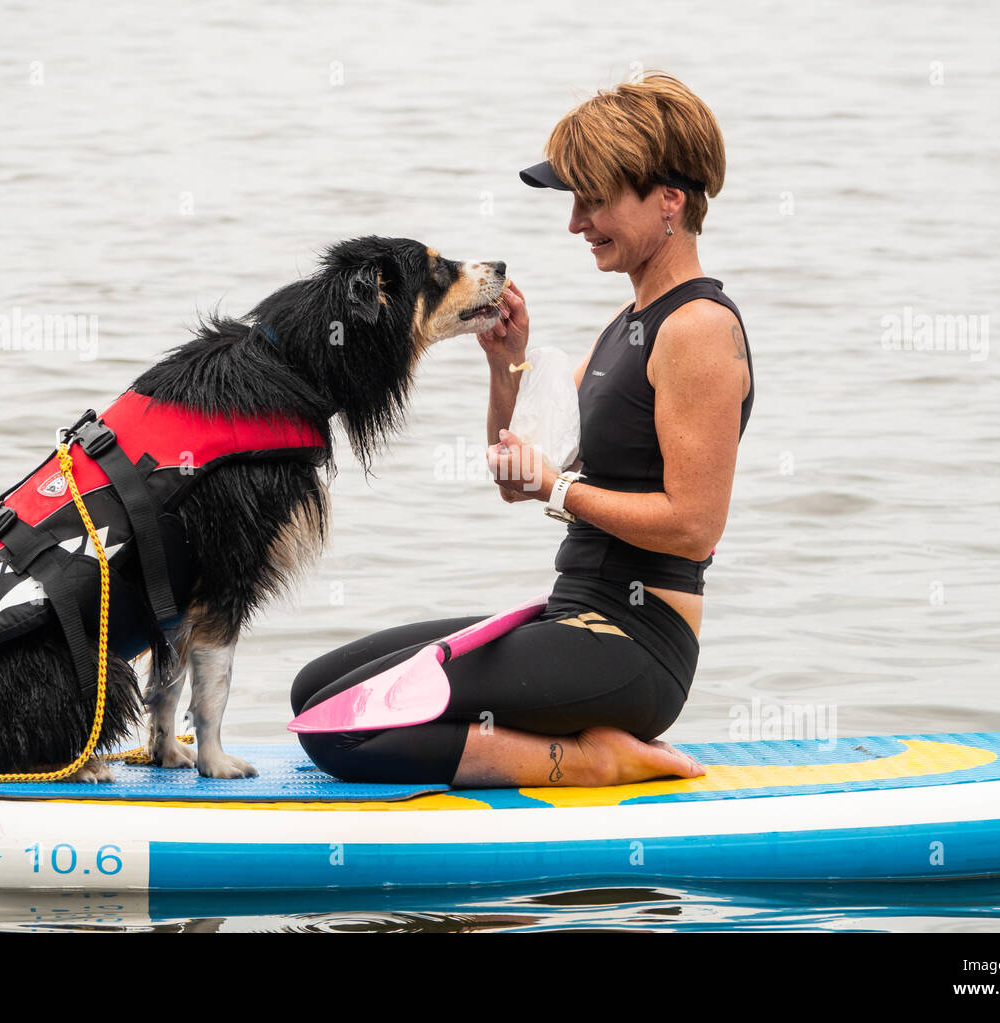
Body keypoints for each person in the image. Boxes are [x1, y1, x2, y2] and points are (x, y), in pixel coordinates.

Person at [291, 71, 753, 787]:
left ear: (670, 201)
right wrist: (505, 368)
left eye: (594, 199)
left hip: (637, 647)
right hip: (570, 616)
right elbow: (518, 480)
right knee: (315, 692)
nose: (575, 221)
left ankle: (598, 759)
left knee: (348, 733)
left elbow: (693, 526)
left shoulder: (700, 330)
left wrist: (560, 490)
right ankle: (550, 735)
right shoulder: (624, 326)